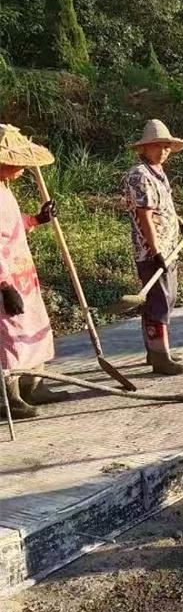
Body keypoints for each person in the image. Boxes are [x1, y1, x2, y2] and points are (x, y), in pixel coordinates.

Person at [0, 123, 69, 420]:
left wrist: (37, 219)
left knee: (35, 327)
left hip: (23, 272)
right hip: (6, 278)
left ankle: (34, 385)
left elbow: (13, 226)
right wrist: (4, 286)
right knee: (10, 337)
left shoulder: (5, 190)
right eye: (17, 162)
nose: (24, 168)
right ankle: (9, 397)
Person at [122, 119, 183, 376]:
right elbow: (145, 215)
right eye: (158, 146)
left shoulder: (158, 172)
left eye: (166, 146)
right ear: (145, 148)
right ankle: (159, 356)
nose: (164, 151)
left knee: (167, 298)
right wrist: (156, 250)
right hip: (152, 251)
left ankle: (156, 350)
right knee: (159, 302)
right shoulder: (139, 175)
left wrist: (182, 224)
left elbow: (166, 208)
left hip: (169, 246)